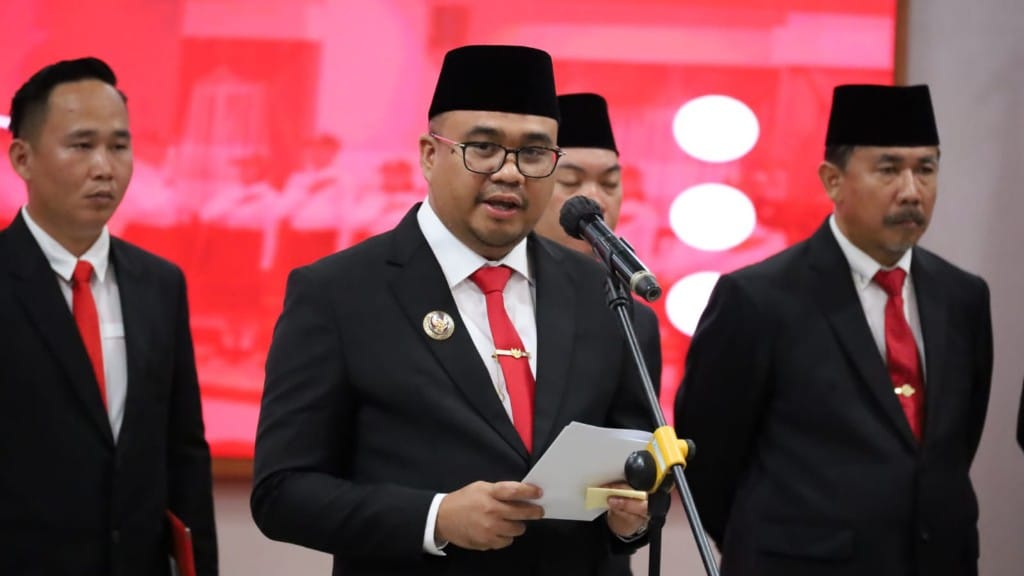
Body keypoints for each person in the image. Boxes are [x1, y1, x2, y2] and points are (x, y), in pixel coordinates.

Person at [251, 45, 654, 576]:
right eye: (483, 148)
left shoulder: (605, 298)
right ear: (429, 154)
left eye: (534, 153)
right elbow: (282, 493)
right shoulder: (338, 293)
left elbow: (638, 472)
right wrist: (435, 518)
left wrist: (632, 518)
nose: (510, 173)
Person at [674, 84, 992, 576]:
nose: (912, 191)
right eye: (888, 170)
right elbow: (706, 457)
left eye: (926, 169)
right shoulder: (759, 299)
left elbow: (953, 445)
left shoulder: (963, 297)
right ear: (833, 180)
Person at [0, 56, 218, 574]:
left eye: (119, 146)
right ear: (22, 158)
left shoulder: (160, 285)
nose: (105, 167)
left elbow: (184, 452)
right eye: (82, 145)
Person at [532, 92, 662, 576]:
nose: (595, 200)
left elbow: (636, 451)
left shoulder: (630, 316)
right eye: (571, 181)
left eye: (610, 182)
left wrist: (631, 519)